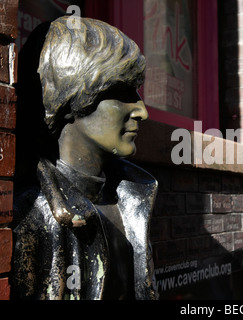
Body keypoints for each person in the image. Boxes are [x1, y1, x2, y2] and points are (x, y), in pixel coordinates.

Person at [12, 15, 158, 300]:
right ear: (71, 99)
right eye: (121, 92)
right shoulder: (31, 214)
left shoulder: (135, 194)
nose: (142, 111)